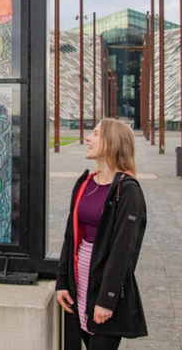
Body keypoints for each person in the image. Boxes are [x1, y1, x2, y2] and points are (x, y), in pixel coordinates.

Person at [55, 119, 148, 349]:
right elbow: (70, 237)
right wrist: (62, 282)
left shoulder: (128, 191)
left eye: (95, 134)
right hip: (80, 283)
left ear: (112, 142)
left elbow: (122, 250)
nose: (88, 138)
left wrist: (107, 299)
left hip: (104, 286)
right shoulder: (86, 183)